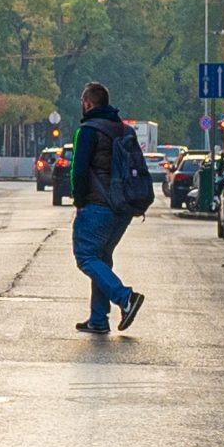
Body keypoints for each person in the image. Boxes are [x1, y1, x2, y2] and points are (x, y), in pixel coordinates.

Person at [65, 84, 148, 334]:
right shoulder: (124, 130)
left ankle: (125, 298)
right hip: (123, 206)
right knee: (101, 258)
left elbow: (78, 171)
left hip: (98, 204)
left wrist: (79, 201)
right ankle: (98, 319)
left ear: (88, 104)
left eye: (83, 101)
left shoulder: (88, 131)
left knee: (86, 256)